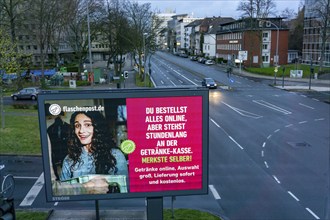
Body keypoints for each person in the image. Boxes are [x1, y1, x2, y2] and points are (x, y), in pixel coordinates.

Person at [60, 111, 128, 183]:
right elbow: (63, 190)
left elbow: (125, 188)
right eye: (77, 126)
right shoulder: (69, 159)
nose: (81, 131)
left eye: (88, 125)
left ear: (98, 127)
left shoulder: (115, 155)